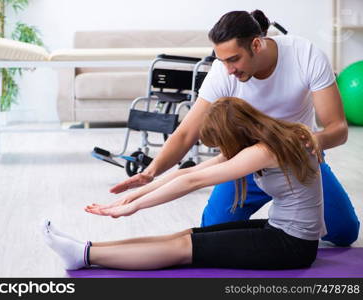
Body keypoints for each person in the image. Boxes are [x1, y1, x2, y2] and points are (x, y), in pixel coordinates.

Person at [108, 10, 359, 246]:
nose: (228, 70)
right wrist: (151, 172)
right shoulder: (223, 72)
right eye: (222, 61)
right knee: (214, 227)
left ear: (257, 45)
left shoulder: (305, 54)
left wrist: (313, 142)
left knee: (346, 232)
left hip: (297, 160)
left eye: (234, 59)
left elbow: (337, 128)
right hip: (246, 163)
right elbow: (185, 134)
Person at [43, 97, 325, 270]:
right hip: (279, 229)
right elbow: (183, 173)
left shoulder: (263, 151)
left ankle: (86, 255)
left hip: (292, 246)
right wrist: (132, 195)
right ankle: (85, 248)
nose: (221, 151)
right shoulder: (271, 137)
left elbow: (193, 180)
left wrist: (135, 207)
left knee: (183, 250)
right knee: (185, 236)